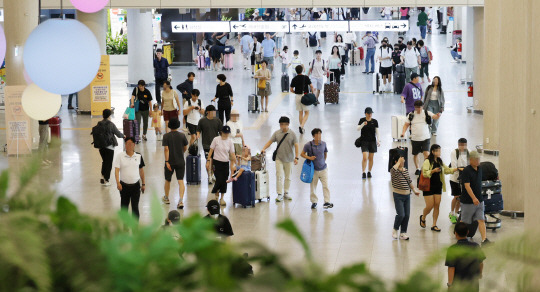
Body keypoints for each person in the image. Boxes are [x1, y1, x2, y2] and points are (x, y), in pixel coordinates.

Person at [419, 144, 458, 232]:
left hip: (438, 186)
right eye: (437, 151)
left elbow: (447, 170)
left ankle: (434, 224)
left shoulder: (440, 161)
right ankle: (423, 217)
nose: (439, 152)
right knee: (430, 206)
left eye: (439, 150)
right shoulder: (427, 161)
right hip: (428, 186)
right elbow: (425, 173)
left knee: (437, 205)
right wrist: (433, 171)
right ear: (432, 151)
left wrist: (457, 169)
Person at [261, 116, 300, 202]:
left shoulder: (292, 134)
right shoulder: (277, 133)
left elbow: (297, 145)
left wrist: (296, 157)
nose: (282, 126)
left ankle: (286, 192)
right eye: (281, 124)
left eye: (284, 124)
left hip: (289, 159)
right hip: (279, 158)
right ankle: (279, 194)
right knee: (279, 176)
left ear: (288, 124)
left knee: (288, 177)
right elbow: (270, 141)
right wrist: (264, 148)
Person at [401, 100, 441, 175]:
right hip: (415, 138)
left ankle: (426, 168)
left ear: (422, 107)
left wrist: (438, 115)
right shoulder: (411, 114)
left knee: (426, 153)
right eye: (416, 108)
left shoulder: (426, 113)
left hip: (425, 138)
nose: (418, 109)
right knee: (416, 154)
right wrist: (403, 133)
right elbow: (406, 124)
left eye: (419, 108)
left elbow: (434, 116)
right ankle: (417, 168)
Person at [461, 151, 492, 245]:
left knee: (481, 219)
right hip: (468, 201)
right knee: (464, 221)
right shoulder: (466, 171)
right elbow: (467, 186)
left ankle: (484, 240)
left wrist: (478, 198)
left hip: (479, 200)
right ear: (470, 160)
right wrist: (474, 198)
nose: (478, 161)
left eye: (479, 159)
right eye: (476, 159)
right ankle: (461, 239)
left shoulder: (480, 169)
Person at [445, 222, 486, 291]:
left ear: (455, 233)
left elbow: (451, 268)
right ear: (468, 232)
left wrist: (450, 284)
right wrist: (480, 274)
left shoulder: (452, 249)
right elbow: (480, 262)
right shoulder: (476, 246)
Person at [113, 137, 146, 222]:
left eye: (131, 144)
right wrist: (117, 183)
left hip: (135, 186)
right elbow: (116, 170)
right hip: (124, 186)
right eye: (127, 144)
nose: (129, 146)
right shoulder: (120, 156)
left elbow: (141, 170)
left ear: (134, 145)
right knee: (124, 207)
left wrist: (143, 184)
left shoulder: (138, 156)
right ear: (125, 145)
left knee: (135, 207)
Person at [300, 128, 333, 210]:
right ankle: (314, 202)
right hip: (313, 170)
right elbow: (302, 154)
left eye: (320, 134)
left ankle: (327, 202)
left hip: (323, 169)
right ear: (313, 136)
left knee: (325, 186)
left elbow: (325, 154)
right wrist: (309, 158)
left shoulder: (324, 144)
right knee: (313, 187)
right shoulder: (308, 145)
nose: (319, 136)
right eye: (317, 134)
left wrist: (322, 162)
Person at [390, 156, 420, 240]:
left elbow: (409, 181)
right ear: (397, 161)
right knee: (401, 214)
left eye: (403, 161)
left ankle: (403, 232)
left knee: (406, 215)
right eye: (401, 161)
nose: (403, 162)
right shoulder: (394, 171)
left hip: (407, 195)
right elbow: (392, 170)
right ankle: (395, 229)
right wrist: (398, 162)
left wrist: (414, 190)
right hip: (398, 195)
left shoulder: (405, 170)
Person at [161, 118, 189, 209]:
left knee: (168, 179)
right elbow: (185, 147)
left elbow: (166, 149)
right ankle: (180, 201)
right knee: (180, 181)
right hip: (180, 161)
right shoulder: (182, 135)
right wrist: (181, 153)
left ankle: (166, 198)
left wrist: (166, 161)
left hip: (170, 162)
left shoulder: (166, 136)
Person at [207, 126, 237, 206]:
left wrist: (236, 162)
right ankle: (216, 195)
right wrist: (208, 160)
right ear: (222, 132)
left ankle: (222, 198)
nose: (226, 134)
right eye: (225, 133)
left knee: (224, 181)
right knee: (219, 179)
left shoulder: (230, 142)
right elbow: (211, 150)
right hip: (217, 163)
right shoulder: (216, 139)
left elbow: (232, 154)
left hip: (225, 163)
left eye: (228, 133)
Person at [97, 109, 125, 186]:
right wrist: (124, 136)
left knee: (104, 161)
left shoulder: (99, 123)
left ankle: (102, 177)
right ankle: (107, 179)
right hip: (109, 146)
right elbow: (118, 134)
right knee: (108, 163)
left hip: (101, 146)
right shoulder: (111, 124)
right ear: (109, 115)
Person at [197, 105, 223, 185]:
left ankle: (213, 175)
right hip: (206, 145)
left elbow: (221, 132)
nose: (214, 112)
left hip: (216, 145)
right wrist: (197, 135)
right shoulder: (202, 121)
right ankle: (209, 176)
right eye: (213, 111)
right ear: (208, 112)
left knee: (215, 162)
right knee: (209, 161)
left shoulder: (218, 121)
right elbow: (198, 130)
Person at [290, 65, 315, 135]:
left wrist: (296, 92)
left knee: (300, 113)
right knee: (307, 113)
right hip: (305, 96)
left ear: (296, 71)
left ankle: (302, 128)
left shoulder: (294, 79)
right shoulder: (306, 77)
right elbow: (312, 86)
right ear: (302, 70)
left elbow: (291, 90)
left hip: (297, 97)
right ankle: (301, 126)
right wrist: (313, 93)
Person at [449, 138, 469, 224]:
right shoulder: (454, 152)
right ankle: (452, 213)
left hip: (465, 179)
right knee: (456, 197)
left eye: (464, 145)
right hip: (454, 179)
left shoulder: (469, 152)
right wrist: (460, 169)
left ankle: (457, 213)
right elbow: (454, 165)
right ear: (458, 145)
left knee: (461, 198)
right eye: (461, 145)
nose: (462, 147)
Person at [357, 107, 380, 179]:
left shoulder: (375, 121)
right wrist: (363, 124)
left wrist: (378, 140)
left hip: (372, 141)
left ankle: (369, 171)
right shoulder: (362, 120)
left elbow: (377, 131)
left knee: (371, 158)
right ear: (365, 113)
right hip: (364, 141)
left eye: (371, 113)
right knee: (365, 157)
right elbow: (358, 129)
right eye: (368, 113)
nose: (370, 115)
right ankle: (363, 172)